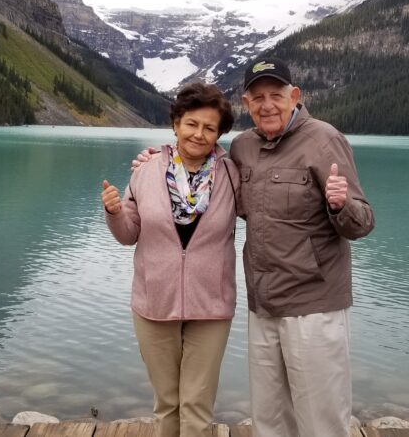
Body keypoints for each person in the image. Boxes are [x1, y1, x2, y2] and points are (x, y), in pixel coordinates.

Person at [134, 57, 375, 437]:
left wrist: (341, 204)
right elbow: (199, 167)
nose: (267, 105)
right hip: (262, 305)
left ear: (294, 96)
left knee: (321, 420)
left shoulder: (325, 139)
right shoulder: (243, 147)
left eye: (276, 95)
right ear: (246, 103)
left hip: (313, 305)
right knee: (269, 419)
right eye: (257, 97)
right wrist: (156, 158)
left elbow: (362, 222)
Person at [102, 82, 239, 437]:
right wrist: (114, 212)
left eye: (210, 128)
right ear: (176, 124)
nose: (199, 134)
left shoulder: (232, 175)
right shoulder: (145, 171)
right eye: (191, 124)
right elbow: (128, 234)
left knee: (197, 405)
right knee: (166, 404)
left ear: (219, 134)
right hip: (154, 302)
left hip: (211, 305)